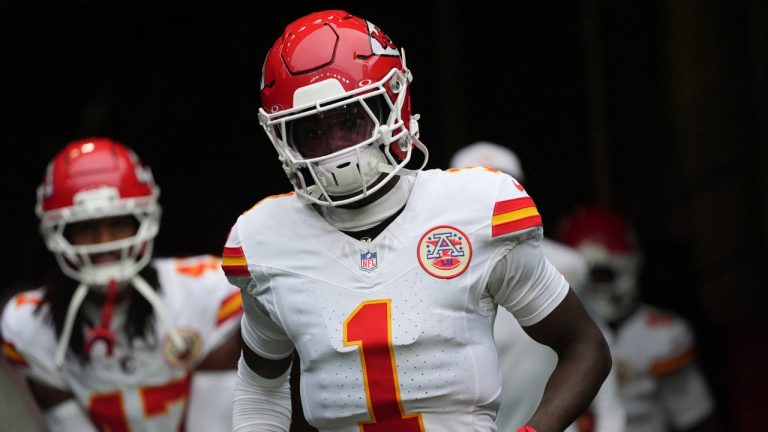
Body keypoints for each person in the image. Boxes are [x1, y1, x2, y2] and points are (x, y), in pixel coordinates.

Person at [222, 10, 611, 432]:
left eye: (351, 121)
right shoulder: (267, 241)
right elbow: (261, 387)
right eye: (312, 131)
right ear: (283, 138)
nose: (334, 147)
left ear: (394, 102)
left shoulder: (475, 209)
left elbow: (584, 347)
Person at [0, 137, 243, 431]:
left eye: (118, 223)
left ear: (145, 221)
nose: (104, 243)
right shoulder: (29, 325)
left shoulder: (207, 292)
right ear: (56, 233)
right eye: (85, 227)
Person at [451, 141, 626, 432]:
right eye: (474, 185)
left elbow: (593, 343)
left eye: (500, 182)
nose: (487, 196)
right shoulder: (433, 266)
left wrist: (611, 424)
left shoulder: (568, 263)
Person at [559, 206, 718, 432]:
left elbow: (696, 418)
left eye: (601, 275)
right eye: (581, 277)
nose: (590, 287)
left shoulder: (661, 336)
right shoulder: (545, 333)